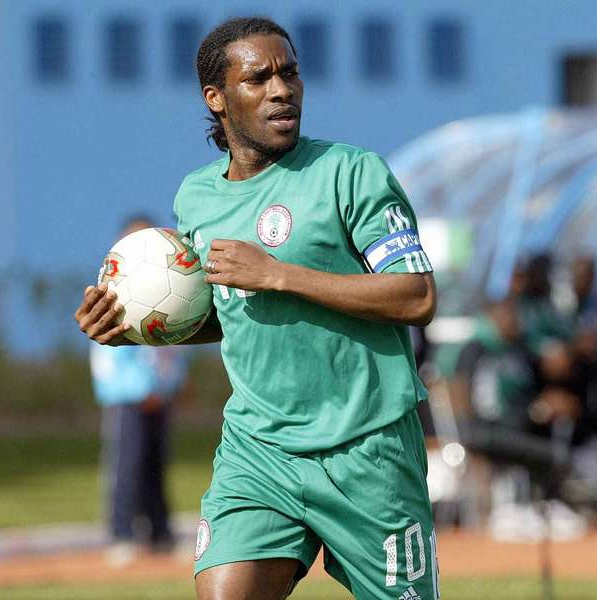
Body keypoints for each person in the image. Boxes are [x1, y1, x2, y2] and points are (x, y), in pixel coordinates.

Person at [74, 17, 439, 600]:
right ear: (216, 99)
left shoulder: (351, 173)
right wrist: (140, 331)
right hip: (259, 448)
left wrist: (278, 274)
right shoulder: (196, 196)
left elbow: (416, 295)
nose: (281, 89)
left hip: (367, 450)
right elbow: (229, 311)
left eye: (289, 73)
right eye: (259, 78)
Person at [90, 216, 188, 566]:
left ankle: (160, 533)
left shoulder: (168, 290)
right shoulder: (115, 292)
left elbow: (171, 351)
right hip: (127, 399)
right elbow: (111, 355)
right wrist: (139, 390)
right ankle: (121, 533)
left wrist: (168, 386)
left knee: (155, 465)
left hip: (158, 399)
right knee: (126, 466)